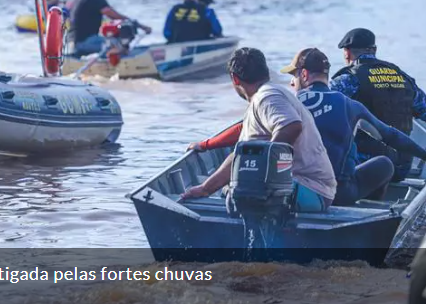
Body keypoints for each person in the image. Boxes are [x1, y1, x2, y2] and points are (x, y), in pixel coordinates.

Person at [181, 47, 337, 212]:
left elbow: (291, 126)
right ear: (266, 71)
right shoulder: (266, 97)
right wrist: (206, 188)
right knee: (233, 186)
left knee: (240, 190)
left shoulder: (267, 97)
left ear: (235, 79)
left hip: (311, 190)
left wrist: (267, 167)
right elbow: (239, 156)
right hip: (309, 189)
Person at [282, 48, 426, 206]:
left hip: (296, 192)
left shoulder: (285, 104)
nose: (291, 82)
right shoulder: (349, 105)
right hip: (340, 194)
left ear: (303, 74)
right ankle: (369, 213)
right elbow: (391, 136)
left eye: (293, 76)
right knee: (385, 164)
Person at [330, 28, 426, 181]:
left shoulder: (348, 79)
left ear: (347, 53)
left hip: (365, 166)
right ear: (374, 49)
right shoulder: (402, 77)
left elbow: (323, 109)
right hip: (401, 167)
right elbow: (423, 111)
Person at [66, 0, 151, 57]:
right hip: (86, 42)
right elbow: (115, 16)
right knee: (118, 46)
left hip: (73, 43)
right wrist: (141, 26)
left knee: (109, 41)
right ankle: (122, 64)